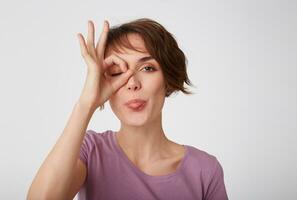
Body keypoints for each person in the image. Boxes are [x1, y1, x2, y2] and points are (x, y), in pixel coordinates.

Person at [27, 18, 228, 200]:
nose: (132, 83)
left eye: (147, 68)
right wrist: (86, 103)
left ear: (167, 79)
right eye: (116, 72)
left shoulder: (205, 170)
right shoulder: (90, 150)